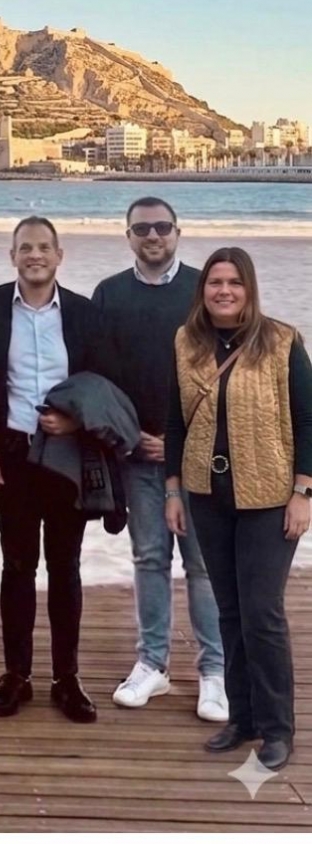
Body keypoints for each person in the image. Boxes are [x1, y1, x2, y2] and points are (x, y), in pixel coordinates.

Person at [164, 247, 312, 771]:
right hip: (207, 495)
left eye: (234, 282)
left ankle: (277, 728)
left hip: (270, 497)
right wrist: (173, 491)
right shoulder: (186, 342)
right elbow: (176, 420)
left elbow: (308, 420)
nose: (224, 291)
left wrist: (304, 493)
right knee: (229, 610)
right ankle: (242, 718)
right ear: (202, 290)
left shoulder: (281, 340)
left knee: (262, 613)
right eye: (215, 282)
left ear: (249, 288)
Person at [0, 216, 108, 724]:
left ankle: (66, 678)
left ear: (59, 255)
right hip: (13, 455)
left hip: (67, 457)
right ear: (12, 256)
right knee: (17, 566)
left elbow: (102, 381)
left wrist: (76, 420)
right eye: (25, 247)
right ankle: (17, 675)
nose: (35, 255)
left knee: (65, 567)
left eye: (44, 247)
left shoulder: (83, 312)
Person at [92, 197, 226, 721]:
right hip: (137, 454)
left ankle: (214, 673)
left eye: (162, 227)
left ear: (177, 232)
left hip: (197, 455)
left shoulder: (202, 291)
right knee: (149, 558)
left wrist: (178, 442)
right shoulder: (109, 293)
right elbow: (102, 377)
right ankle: (153, 664)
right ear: (128, 236)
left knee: (203, 564)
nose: (153, 236)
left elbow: (223, 376)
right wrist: (134, 438)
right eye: (142, 229)